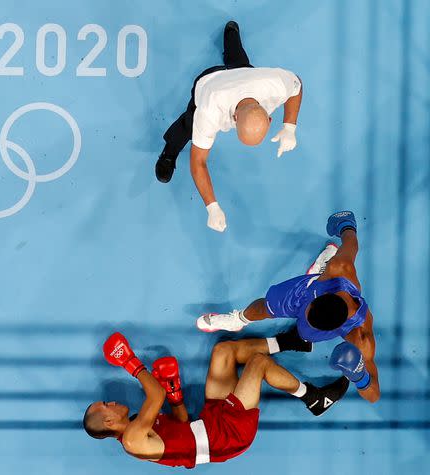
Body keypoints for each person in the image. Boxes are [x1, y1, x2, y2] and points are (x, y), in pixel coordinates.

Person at [83, 331, 348, 468]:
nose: (111, 403)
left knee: (223, 351)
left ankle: (292, 340)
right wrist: (131, 364)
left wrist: (176, 395)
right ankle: (313, 397)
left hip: (210, 422)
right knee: (258, 364)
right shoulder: (132, 439)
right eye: (106, 406)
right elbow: (156, 394)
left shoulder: (135, 426)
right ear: (107, 421)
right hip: (227, 436)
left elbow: (182, 423)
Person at [196, 211, 380, 403]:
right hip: (305, 293)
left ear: (334, 328)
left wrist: (360, 377)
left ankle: (316, 277)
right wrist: (345, 224)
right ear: (324, 296)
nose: (304, 316)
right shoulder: (340, 267)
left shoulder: (360, 335)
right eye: (309, 312)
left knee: (304, 334)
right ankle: (238, 320)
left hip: (315, 312)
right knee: (265, 307)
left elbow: (374, 395)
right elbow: (350, 236)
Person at [155, 21, 303, 232]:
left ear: (269, 119)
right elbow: (198, 161)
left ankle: (231, 33)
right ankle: (169, 152)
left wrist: (290, 126)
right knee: (188, 125)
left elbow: (297, 86)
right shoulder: (209, 109)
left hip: (247, 77)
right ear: (234, 118)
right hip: (210, 81)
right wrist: (212, 207)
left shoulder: (275, 83)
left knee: (240, 64)